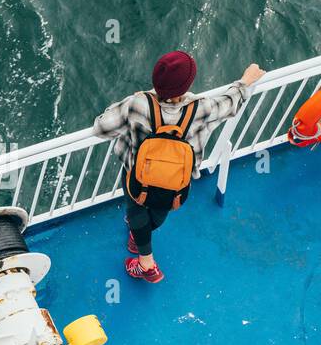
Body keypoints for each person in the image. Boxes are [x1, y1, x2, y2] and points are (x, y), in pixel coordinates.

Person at [93, 50, 266, 283]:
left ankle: (146, 263)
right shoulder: (202, 108)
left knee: (135, 208)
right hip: (175, 181)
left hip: (136, 174)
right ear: (186, 86)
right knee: (159, 209)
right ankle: (139, 236)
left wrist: (129, 101)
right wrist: (245, 81)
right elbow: (230, 103)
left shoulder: (137, 103)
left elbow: (101, 128)